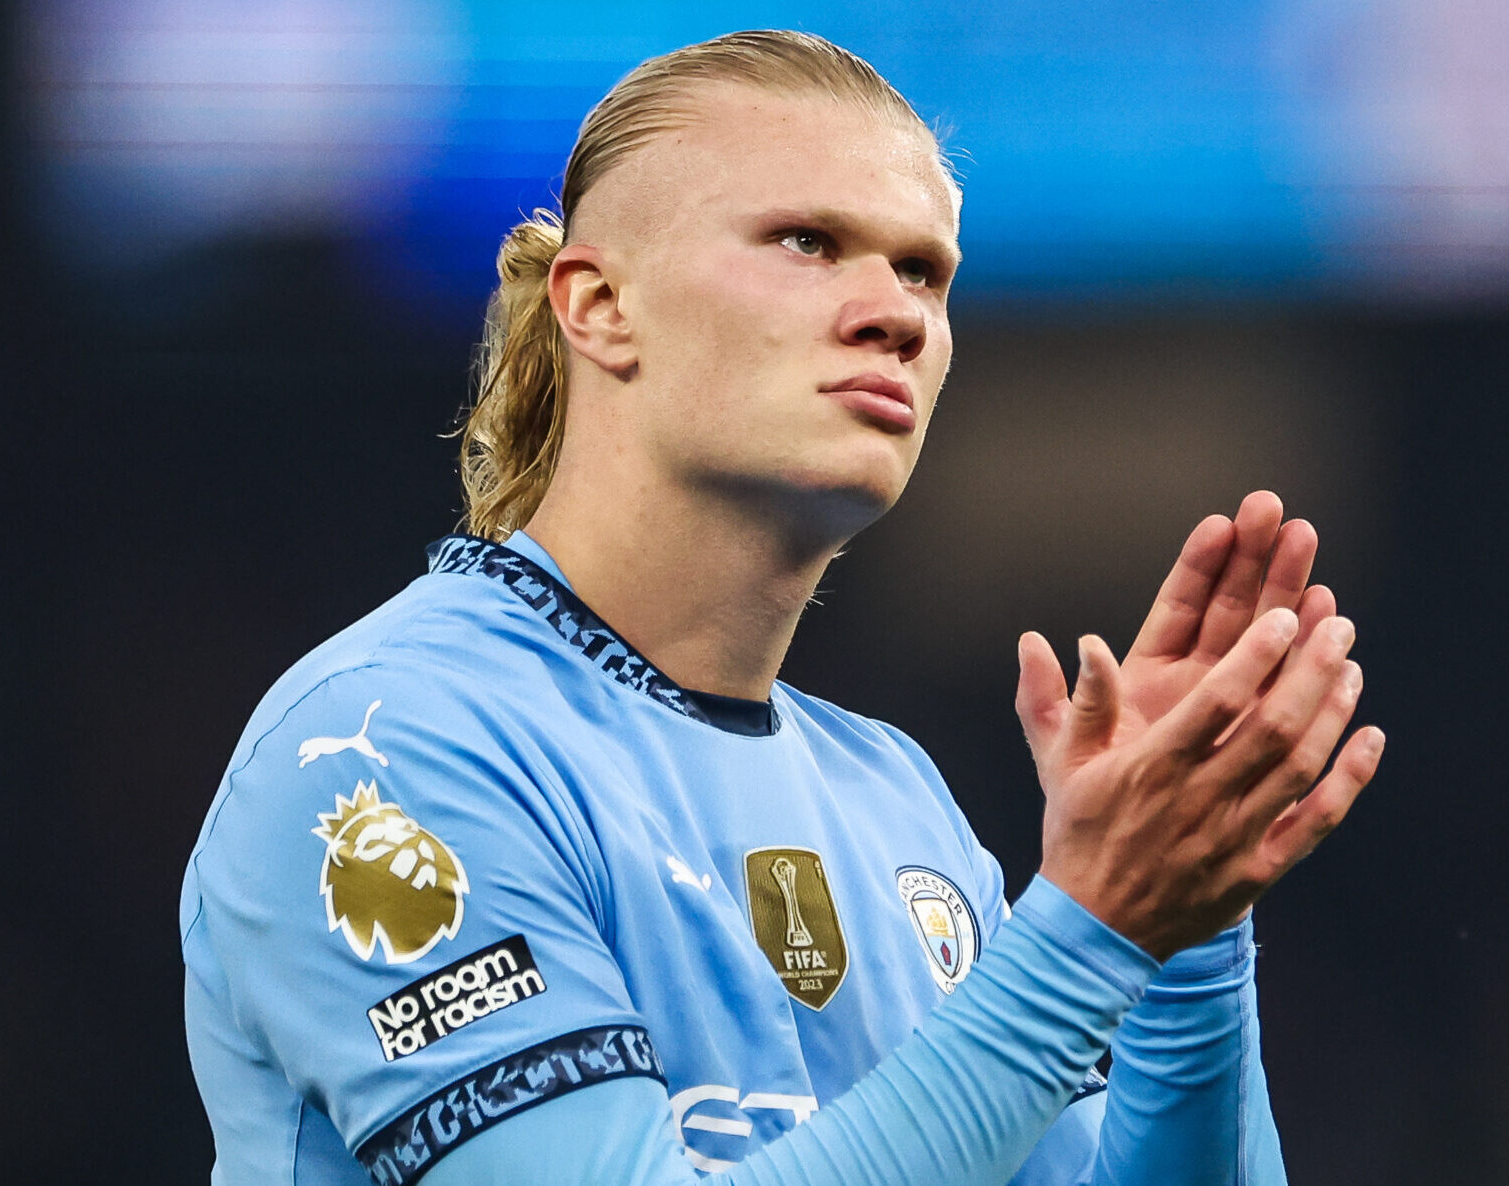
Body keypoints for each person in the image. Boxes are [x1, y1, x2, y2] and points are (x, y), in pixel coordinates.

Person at [181, 29, 1383, 1186]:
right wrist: (1087, 930)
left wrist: (1182, 925)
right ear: (598, 306)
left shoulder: (894, 796)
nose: (898, 312)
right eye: (809, 242)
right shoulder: (387, 750)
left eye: (925, 270)